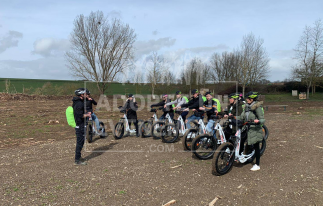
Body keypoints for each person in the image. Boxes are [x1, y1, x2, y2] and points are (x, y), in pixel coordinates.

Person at [240, 91, 265, 171]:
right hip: (247, 128)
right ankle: (242, 156)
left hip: (255, 129)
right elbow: (242, 117)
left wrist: (258, 121)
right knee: (241, 140)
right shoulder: (246, 107)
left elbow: (262, 119)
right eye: (246, 98)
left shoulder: (257, 107)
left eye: (248, 98)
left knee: (256, 146)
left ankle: (257, 164)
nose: (246, 99)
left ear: (252, 99)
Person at [73, 88, 91, 165]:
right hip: (79, 125)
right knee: (80, 142)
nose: (86, 95)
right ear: (81, 95)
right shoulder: (79, 104)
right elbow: (79, 115)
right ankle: (77, 160)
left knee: (81, 141)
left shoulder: (78, 102)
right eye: (85, 94)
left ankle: (79, 157)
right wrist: (87, 115)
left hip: (80, 124)